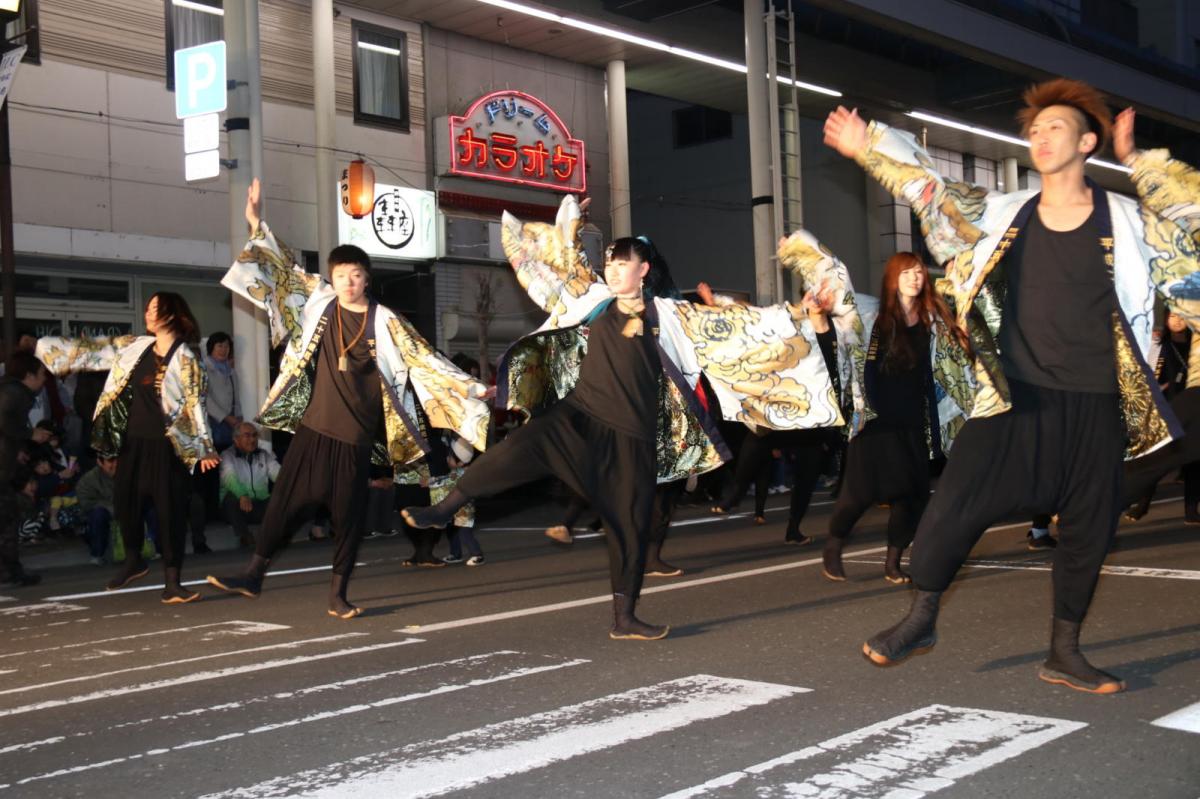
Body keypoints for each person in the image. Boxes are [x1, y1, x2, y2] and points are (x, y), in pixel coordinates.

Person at [824, 78, 1200, 693]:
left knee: (1089, 528)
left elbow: (1193, 228)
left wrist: (1141, 163)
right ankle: (921, 617)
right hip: (1014, 394)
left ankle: (1065, 651)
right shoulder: (1003, 214)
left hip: (1100, 401)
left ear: (1087, 141)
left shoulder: (1132, 221)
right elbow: (932, 191)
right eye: (1034, 128)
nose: (1040, 135)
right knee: (955, 503)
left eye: (1055, 126)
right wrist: (871, 148)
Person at [403, 198, 851, 640]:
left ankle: (626, 617)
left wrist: (799, 312)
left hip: (631, 439)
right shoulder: (596, 300)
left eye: (623, 263)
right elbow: (564, 261)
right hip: (578, 416)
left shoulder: (671, 315)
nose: (614, 270)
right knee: (515, 449)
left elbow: (741, 324)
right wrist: (573, 219)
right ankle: (441, 511)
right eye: (610, 263)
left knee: (629, 529)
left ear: (643, 271)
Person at [207, 179, 491, 619]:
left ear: (366, 279)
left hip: (355, 438)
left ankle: (338, 594)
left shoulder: (386, 321)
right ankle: (253, 574)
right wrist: (255, 223)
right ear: (333, 278)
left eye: (356, 276)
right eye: (340, 275)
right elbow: (282, 269)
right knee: (283, 502)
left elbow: (426, 360)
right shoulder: (319, 302)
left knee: (348, 518)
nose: (348, 283)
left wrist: (472, 388)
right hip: (313, 430)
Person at [36, 293, 220, 602]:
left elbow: (194, 403)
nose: (148, 313)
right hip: (132, 442)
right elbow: (95, 351)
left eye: (154, 308)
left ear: (172, 314)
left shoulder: (186, 357)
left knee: (169, 513)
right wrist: (50, 350)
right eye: (147, 308)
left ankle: (172, 583)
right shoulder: (136, 347)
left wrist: (205, 447)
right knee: (125, 503)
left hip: (167, 447)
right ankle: (134, 560)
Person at [822, 251, 962, 584]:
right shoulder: (877, 317)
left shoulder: (931, 318)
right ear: (893, 279)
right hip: (876, 419)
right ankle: (833, 548)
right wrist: (871, 410)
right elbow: (867, 369)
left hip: (913, 418)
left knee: (912, 494)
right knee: (860, 492)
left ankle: (893, 562)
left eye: (918, 272)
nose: (915, 278)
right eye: (907, 273)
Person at [0, 351, 51, 586]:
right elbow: (4, 422)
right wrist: (31, 434)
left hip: (6, 462)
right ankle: (9, 571)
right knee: (7, 517)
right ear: (29, 375)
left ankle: (10, 569)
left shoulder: (10, 390)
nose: (44, 380)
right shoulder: (14, 393)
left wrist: (17, 448)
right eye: (41, 374)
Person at [219, 421, 281, 549]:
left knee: (279, 498)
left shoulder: (263, 455)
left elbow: (279, 475)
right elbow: (229, 478)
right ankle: (244, 535)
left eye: (254, 435)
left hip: (258, 504)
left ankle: (271, 535)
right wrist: (242, 494)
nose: (252, 439)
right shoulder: (227, 455)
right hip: (238, 507)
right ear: (236, 439)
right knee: (231, 498)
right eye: (247, 436)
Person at [76, 454, 118, 565]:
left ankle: (158, 548)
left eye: (116, 460)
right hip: (104, 512)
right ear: (100, 462)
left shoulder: (129, 472)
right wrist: (110, 507)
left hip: (126, 508)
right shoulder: (88, 479)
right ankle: (97, 554)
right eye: (110, 461)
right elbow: (86, 503)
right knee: (97, 515)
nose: (115, 464)